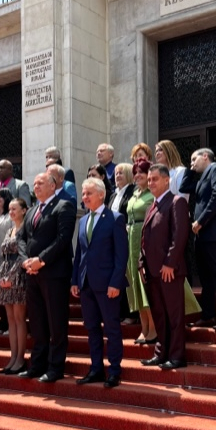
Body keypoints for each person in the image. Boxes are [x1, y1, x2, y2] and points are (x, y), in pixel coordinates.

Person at [18, 173, 76, 383]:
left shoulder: (64, 206)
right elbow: (21, 238)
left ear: (53, 186)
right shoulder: (32, 210)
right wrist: (26, 261)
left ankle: (55, 367)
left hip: (54, 274)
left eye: (40, 183)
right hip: (31, 274)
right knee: (37, 322)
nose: (36, 187)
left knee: (56, 322)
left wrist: (40, 260)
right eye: (34, 184)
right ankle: (37, 364)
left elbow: (63, 239)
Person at [71, 178, 128, 388]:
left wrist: (115, 282)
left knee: (112, 328)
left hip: (107, 285)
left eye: (88, 194)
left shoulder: (115, 218)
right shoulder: (84, 220)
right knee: (92, 328)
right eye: (83, 194)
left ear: (101, 195)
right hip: (86, 284)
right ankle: (95, 368)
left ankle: (114, 371)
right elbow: (80, 254)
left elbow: (121, 256)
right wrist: (75, 279)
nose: (84, 197)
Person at [139, 164, 190, 369]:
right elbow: (145, 239)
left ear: (167, 180)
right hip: (152, 273)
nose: (150, 183)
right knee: (159, 315)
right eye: (149, 179)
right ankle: (161, 354)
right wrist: (141, 264)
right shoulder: (152, 205)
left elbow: (179, 236)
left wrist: (170, 263)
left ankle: (177, 356)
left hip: (169, 272)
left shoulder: (176, 202)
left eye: (155, 179)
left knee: (174, 315)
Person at [179, 148, 216, 331]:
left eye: (194, 159)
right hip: (201, 235)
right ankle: (208, 315)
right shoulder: (202, 177)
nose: (192, 162)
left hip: (213, 233)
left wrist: (200, 221)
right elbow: (184, 187)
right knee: (205, 278)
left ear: (205, 156)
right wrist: (190, 169)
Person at [155, 140, 201, 317]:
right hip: (163, 224)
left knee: (181, 264)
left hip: (177, 221)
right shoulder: (159, 173)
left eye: (161, 150)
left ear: (169, 151)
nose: (157, 153)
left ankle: (187, 309)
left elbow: (182, 198)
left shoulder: (181, 172)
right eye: (156, 150)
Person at [0, 197, 29, 374]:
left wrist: (11, 276)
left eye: (15, 209)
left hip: (19, 278)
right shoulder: (9, 230)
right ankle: (12, 358)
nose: (11, 212)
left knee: (19, 318)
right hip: (5, 279)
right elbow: (4, 257)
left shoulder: (26, 229)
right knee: (10, 321)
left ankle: (20, 360)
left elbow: (23, 255)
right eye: (9, 209)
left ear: (24, 210)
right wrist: (0, 278)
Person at [126, 159, 157, 344]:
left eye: (141, 173)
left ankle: (153, 328)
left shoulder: (151, 195)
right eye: (135, 172)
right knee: (135, 285)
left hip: (144, 238)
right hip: (130, 241)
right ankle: (144, 326)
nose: (137, 176)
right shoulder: (135, 193)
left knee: (145, 284)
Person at [107, 162, 137, 325]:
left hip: (126, 237)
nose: (117, 176)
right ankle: (119, 312)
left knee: (126, 275)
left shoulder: (133, 191)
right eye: (116, 173)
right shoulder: (113, 194)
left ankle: (131, 313)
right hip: (112, 238)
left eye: (121, 173)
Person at [0, 188, 14, 335]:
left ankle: (8, 324)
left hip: (7, 257)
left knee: (8, 293)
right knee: (0, 294)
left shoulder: (10, 216)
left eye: (0, 197)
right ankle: (2, 323)